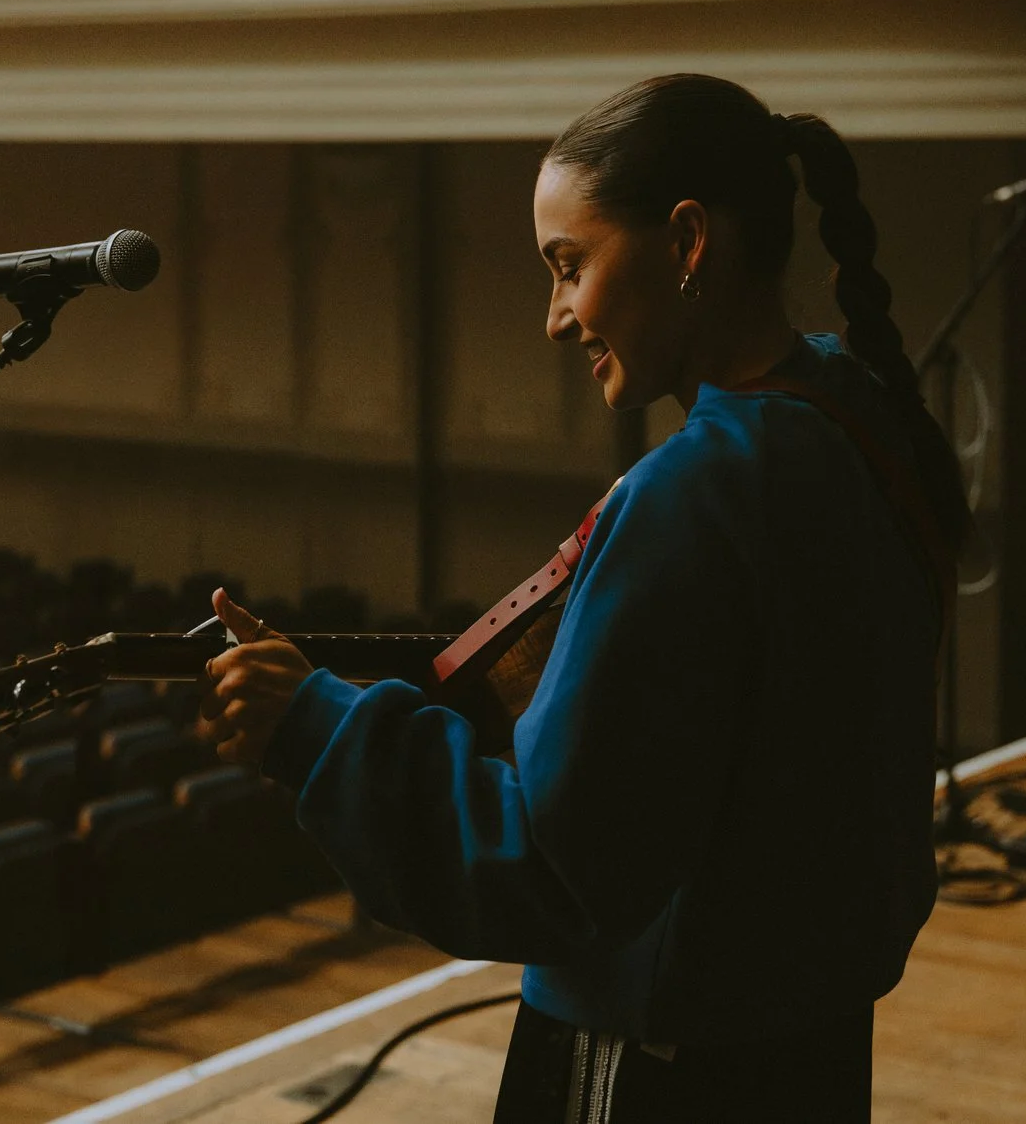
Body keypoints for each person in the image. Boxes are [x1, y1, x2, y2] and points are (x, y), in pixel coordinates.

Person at [195, 74, 968, 1121]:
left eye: (570, 265)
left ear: (687, 240)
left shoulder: (695, 492)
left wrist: (316, 727)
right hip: (811, 1044)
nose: (557, 317)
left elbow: (548, 869)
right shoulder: (858, 421)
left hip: (664, 1062)